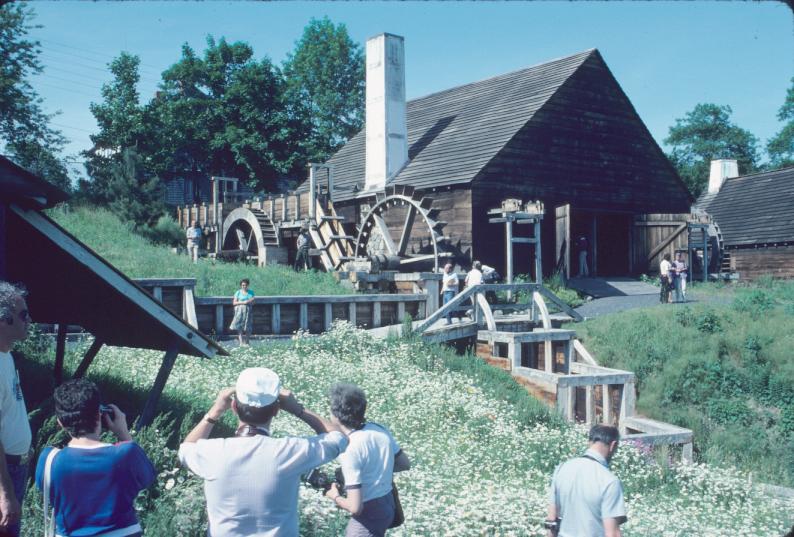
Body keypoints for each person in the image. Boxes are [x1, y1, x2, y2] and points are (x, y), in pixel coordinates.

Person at [178, 368, 348, 537]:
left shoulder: (213, 452)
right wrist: (298, 410)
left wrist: (215, 411)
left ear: (234, 406)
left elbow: (185, 449)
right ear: (276, 410)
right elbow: (339, 438)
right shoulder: (291, 451)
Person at [35, 379, 155, 537]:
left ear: (61, 422)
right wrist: (123, 433)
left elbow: (49, 492)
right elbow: (148, 478)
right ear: (100, 414)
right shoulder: (126, 453)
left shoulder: (49, 460)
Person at [324, 383, 410, 537]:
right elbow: (404, 464)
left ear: (336, 416)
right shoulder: (378, 429)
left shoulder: (349, 448)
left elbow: (355, 507)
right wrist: (374, 471)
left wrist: (334, 496)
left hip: (368, 516)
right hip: (388, 504)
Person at [545, 424, 627, 537]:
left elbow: (551, 520)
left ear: (590, 442)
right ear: (613, 445)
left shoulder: (561, 469)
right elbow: (612, 534)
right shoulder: (609, 481)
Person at [0, 282, 32, 537]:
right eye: (23, 314)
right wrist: (5, 493)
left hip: (15, 467)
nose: (29, 320)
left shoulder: (6, 356)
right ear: (3, 319)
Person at [230, 279, 255, 345]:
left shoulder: (251, 292)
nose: (244, 286)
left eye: (245, 285)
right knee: (239, 326)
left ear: (248, 285)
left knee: (248, 326)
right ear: (241, 285)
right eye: (243, 285)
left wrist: (250, 302)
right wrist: (244, 302)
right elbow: (234, 303)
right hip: (239, 311)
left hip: (248, 311)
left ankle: (247, 341)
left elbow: (253, 302)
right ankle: (241, 342)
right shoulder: (238, 292)